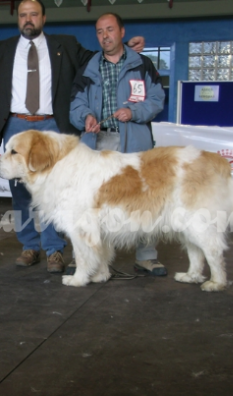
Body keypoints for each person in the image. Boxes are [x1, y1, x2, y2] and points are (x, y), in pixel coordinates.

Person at [0, 0, 144, 274]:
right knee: (20, 191)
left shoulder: (66, 45)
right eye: (23, 15)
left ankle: (54, 250)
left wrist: (126, 47)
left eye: (33, 14)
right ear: (18, 19)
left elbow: (98, 58)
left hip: (53, 126)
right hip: (16, 124)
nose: (28, 19)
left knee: (55, 191)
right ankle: (29, 246)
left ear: (43, 18)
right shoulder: (2, 48)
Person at [70, 12, 167, 276]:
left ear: (122, 32)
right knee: (92, 203)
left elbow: (157, 100)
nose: (105, 36)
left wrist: (134, 113)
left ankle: (146, 256)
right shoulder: (88, 67)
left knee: (144, 199)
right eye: (100, 32)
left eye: (110, 30)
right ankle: (90, 256)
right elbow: (76, 104)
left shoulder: (142, 64)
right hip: (98, 144)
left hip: (135, 142)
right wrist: (86, 116)